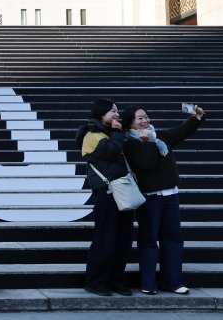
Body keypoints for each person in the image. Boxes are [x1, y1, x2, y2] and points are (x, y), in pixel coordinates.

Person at [121, 104, 206, 296]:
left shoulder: (158, 136)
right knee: (149, 240)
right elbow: (146, 164)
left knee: (173, 239)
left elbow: (180, 132)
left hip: (170, 195)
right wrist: (147, 142)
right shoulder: (129, 144)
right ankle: (148, 282)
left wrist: (196, 117)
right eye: (140, 118)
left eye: (146, 116)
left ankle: (172, 281)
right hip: (149, 198)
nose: (145, 121)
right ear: (130, 123)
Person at [75, 98, 134, 297]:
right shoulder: (91, 135)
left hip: (122, 191)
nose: (117, 114)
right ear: (101, 114)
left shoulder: (112, 133)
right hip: (106, 193)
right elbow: (111, 152)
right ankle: (95, 281)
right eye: (112, 111)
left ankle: (116, 280)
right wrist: (117, 132)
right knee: (105, 239)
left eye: (117, 110)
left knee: (123, 239)